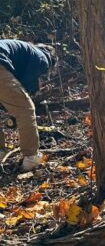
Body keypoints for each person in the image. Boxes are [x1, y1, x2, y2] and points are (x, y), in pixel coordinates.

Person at [0, 40, 56, 171]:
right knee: (26, 110)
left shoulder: (25, 51)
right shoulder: (43, 57)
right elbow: (26, 82)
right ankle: (31, 157)